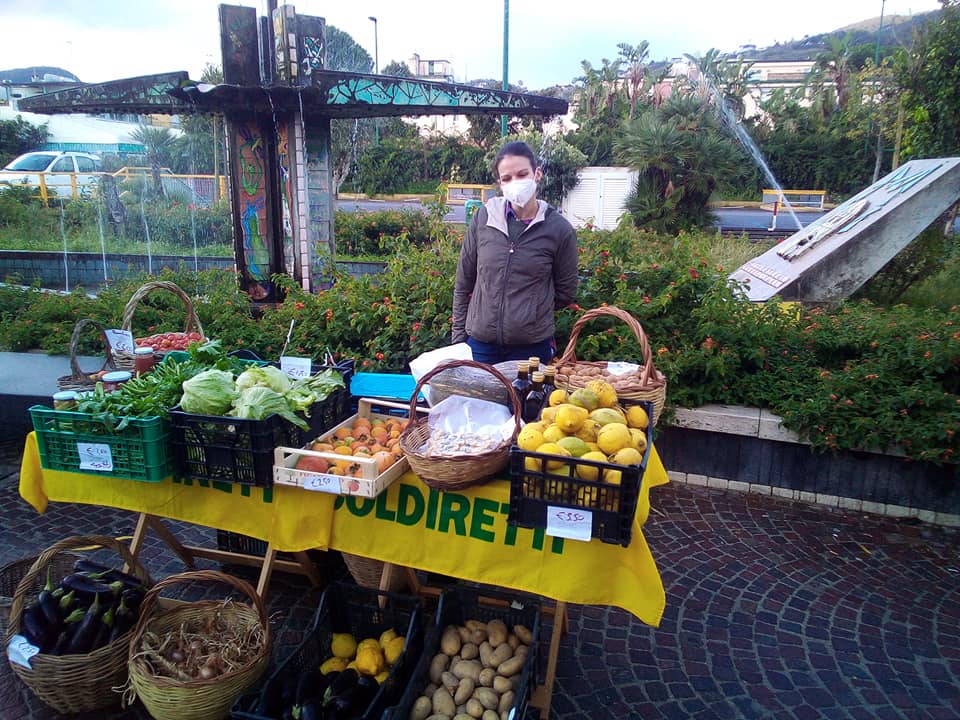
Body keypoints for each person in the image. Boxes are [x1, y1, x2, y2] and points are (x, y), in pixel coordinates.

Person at [452, 141, 579, 365]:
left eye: (522, 174)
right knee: (476, 402)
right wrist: (458, 342)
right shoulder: (484, 219)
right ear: (499, 183)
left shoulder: (559, 230)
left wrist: (530, 312)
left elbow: (565, 292)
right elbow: (464, 284)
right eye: (507, 178)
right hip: (480, 346)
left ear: (537, 174)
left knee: (527, 401)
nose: (515, 183)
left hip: (531, 349)